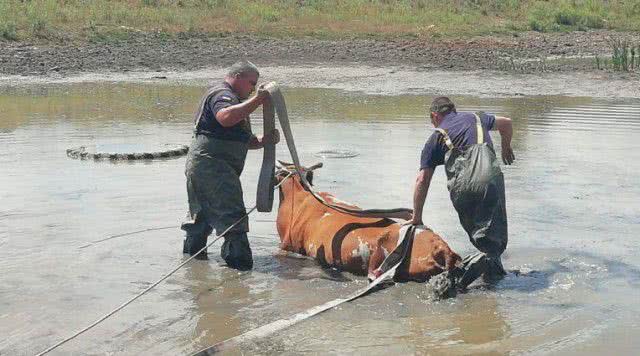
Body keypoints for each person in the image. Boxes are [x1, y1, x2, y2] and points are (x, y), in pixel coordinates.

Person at [407, 96, 515, 290]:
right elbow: (507, 123)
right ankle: (490, 274)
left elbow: (422, 180)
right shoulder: (477, 118)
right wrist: (506, 147)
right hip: (490, 180)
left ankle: (470, 273)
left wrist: (417, 217)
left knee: (480, 236)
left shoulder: (435, 138)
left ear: (434, 116)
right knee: (494, 237)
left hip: (463, 187)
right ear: (453, 110)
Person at [182, 60, 280, 270]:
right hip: (213, 167)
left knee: (200, 220)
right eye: (251, 83)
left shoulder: (234, 100)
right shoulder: (223, 95)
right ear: (238, 77)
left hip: (204, 166)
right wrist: (258, 100)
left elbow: (237, 137)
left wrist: (263, 141)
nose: (253, 88)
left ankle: (193, 270)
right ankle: (240, 274)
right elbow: (225, 118)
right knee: (234, 220)